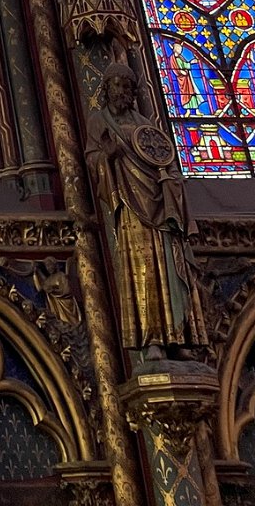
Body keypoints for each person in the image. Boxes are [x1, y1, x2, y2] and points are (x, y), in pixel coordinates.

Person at [86, 63, 207, 357]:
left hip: (160, 206)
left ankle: (178, 336)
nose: (122, 92)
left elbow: (166, 161)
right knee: (144, 268)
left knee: (170, 265)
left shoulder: (145, 124)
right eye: (116, 85)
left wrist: (172, 183)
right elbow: (92, 159)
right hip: (130, 205)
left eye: (127, 86)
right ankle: (152, 339)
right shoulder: (99, 122)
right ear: (106, 89)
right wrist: (107, 156)